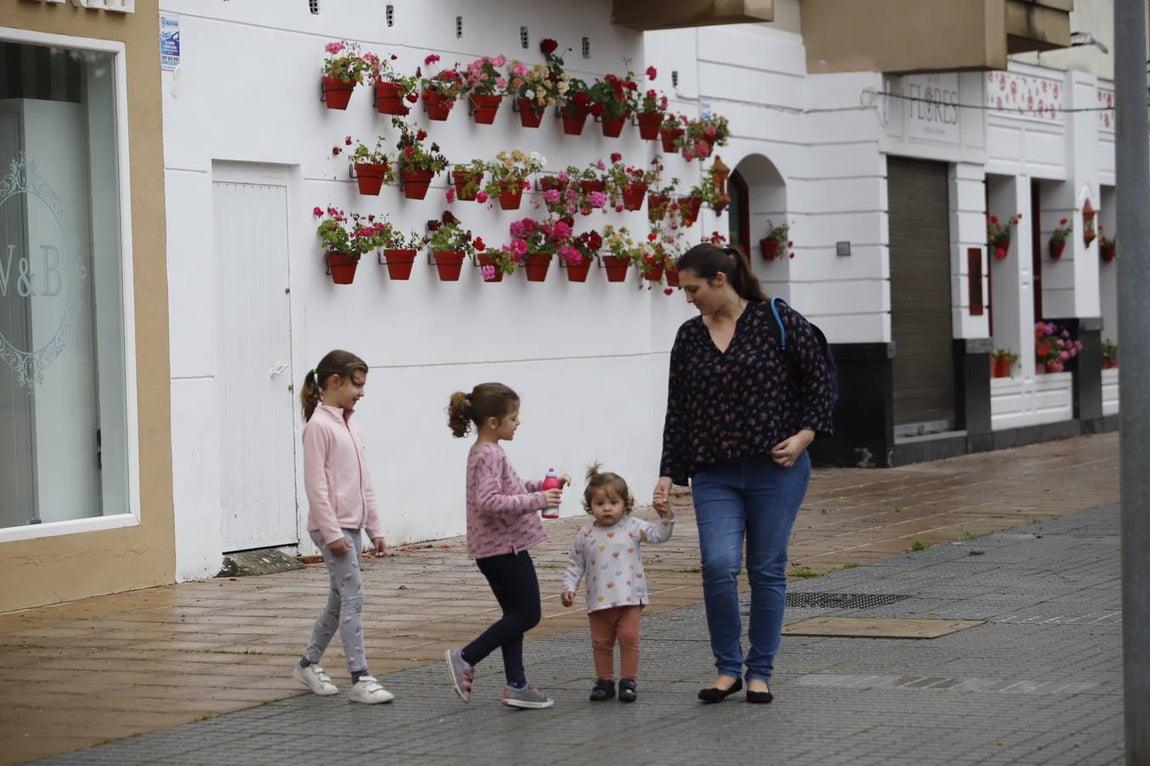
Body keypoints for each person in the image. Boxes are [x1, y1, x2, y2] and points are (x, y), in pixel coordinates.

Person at [653, 243, 834, 705]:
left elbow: (820, 382)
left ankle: (760, 671)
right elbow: (679, 409)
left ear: (719, 279)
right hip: (713, 471)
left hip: (777, 468)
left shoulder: (777, 319)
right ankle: (727, 668)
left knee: (766, 568)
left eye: (693, 288)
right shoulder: (688, 337)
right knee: (717, 565)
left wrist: (805, 436)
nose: (688, 297)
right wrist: (667, 474)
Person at [443, 382, 570, 709]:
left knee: (514, 615)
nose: (518, 424)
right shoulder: (488, 453)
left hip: (497, 549)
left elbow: (509, 487)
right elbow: (489, 501)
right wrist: (539, 499)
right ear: (493, 423)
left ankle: (516, 684)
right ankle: (466, 656)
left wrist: (542, 486)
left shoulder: (486, 452)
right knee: (528, 613)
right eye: (513, 418)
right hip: (503, 549)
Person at [292, 350, 394, 704]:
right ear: (334, 382)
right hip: (331, 530)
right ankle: (360, 677)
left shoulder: (351, 425)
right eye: (357, 385)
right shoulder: (318, 427)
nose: (362, 393)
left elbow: (365, 482)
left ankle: (308, 664)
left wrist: (376, 530)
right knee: (354, 597)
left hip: (350, 528)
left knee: (339, 602)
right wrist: (332, 533)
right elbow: (316, 486)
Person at [561, 464, 675, 703]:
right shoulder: (586, 534)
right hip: (598, 600)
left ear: (625, 503)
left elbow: (658, 535)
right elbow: (575, 563)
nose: (607, 509)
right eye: (600, 503)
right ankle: (604, 681)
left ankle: (628, 680)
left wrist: (666, 517)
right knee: (601, 643)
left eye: (613, 503)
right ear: (589, 506)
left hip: (630, 597)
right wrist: (569, 587)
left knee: (628, 637)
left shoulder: (632, 526)